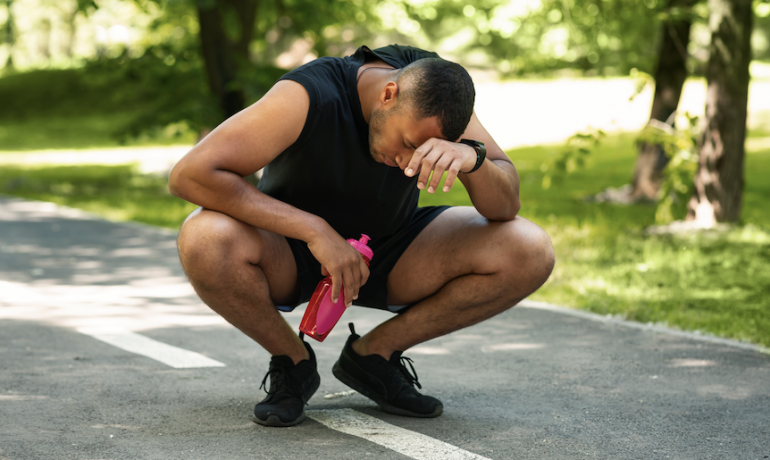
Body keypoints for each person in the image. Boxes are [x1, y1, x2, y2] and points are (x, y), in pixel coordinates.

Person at [169, 44, 555, 427]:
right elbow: (191, 174)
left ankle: (374, 357)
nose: (408, 166)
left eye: (422, 152)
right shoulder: (308, 95)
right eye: (407, 145)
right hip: (290, 249)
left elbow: (504, 207)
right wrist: (314, 230)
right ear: (389, 94)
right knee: (204, 236)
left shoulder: (440, 91)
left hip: (392, 248)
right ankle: (293, 363)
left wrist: (474, 158)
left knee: (529, 248)